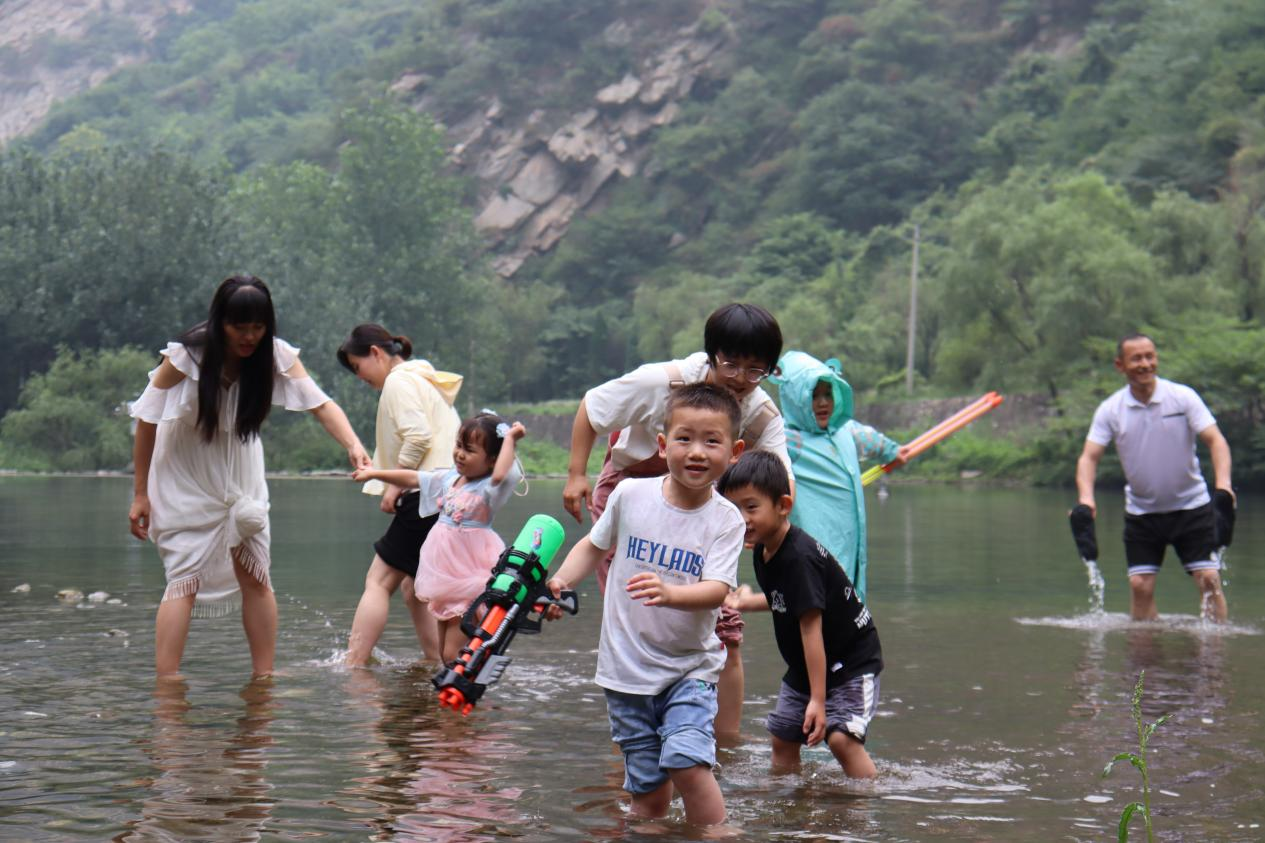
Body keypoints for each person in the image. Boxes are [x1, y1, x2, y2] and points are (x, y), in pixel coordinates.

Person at [562, 302, 791, 736]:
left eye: (755, 370)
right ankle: (633, 748)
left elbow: (781, 485)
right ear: (710, 356)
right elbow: (593, 408)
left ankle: (722, 747)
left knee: (725, 627)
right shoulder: (661, 382)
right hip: (633, 489)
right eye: (731, 364)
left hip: (707, 505)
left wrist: (762, 532)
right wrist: (576, 475)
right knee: (637, 613)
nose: (741, 379)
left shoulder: (760, 415)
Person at [128, 275, 370, 678]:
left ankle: (264, 677)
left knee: (255, 569)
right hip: (185, 470)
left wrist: (353, 445)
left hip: (240, 467)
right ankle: (167, 683)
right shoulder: (187, 356)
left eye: (258, 327)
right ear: (220, 322)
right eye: (240, 327)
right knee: (184, 574)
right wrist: (139, 493)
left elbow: (321, 404)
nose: (250, 337)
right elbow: (146, 418)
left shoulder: (274, 354)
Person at [546, 383, 745, 825]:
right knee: (649, 795)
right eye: (684, 438)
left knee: (686, 762)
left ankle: (718, 834)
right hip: (625, 672)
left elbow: (716, 589)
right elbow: (593, 548)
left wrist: (672, 594)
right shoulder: (631, 496)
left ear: (735, 452)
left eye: (712, 441)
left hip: (689, 668)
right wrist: (559, 581)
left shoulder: (725, 519)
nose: (696, 452)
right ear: (662, 443)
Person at [718, 450, 883, 779]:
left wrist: (818, 701)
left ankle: (866, 807)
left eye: (751, 507)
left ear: (783, 506)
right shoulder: (765, 549)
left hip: (851, 662)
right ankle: (790, 804)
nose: (742, 518)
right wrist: (749, 603)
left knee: (841, 741)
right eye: (733, 509)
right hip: (807, 665)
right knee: (782, 738)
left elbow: (811, 630)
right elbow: (787, 598)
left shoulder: (799, 557)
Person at [1075, 333, 1235, 622]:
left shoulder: (1181, 397)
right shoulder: (1110, 409)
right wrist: (1086, 498)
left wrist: (1223, 484)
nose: (1145, 363)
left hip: (1192, 506)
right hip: (1142, 512)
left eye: (1150, 356)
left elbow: (1216, 440)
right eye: (1136, 358)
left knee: (1209, 580)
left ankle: (1215, 653)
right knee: (1140, 585)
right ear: (1120, 365)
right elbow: (1089, 457)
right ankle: (1147, 660)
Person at [353, 412, 525, 663]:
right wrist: (375, 474)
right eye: (458, 446)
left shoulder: (489, 489)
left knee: (452, 651)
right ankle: (451, 693)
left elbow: (501, 475)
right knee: (443, 648)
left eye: (470, 450)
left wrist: (510, 439)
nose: (460, 454)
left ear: (491, 460)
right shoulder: (450, 479)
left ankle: (465, 687)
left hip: (468, 572)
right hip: (442, 574)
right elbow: (414, 478)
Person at [337, 324, 463, 665]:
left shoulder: (399, 380)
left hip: (427, 494)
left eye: (357, 365)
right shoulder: (422, 378)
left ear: (376, 353)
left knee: (379, 580)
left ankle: (354, 666)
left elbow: (418, 437)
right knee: (414, 587)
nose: (358, 375)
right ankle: (438, 662)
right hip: (450, 495)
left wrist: (394, 486)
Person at [771, 351, 909, 604]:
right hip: (813, 549)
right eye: (813, 395)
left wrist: (893, 452)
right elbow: (754, 443)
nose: (823, 402)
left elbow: (872, 440)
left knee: (850, 603)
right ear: (794, 398)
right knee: (822, 606)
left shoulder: (846, 431)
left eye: (827, 394)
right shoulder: (788, 439)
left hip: (849, 545)